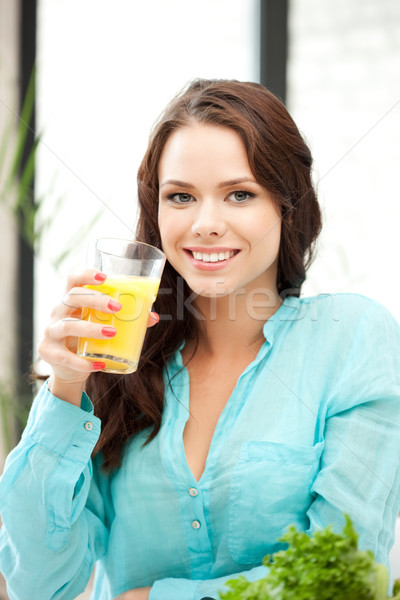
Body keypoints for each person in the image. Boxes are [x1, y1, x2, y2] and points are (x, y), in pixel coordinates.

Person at [1, 79, 400, 600]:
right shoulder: (120, 364)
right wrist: (66, 389)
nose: (206, 224)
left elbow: (343, 575)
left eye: (240, 194)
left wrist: (152, 599)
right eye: (181, 197)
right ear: (157, 212)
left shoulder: (353, 341)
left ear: (286, 205)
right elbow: (39, 584)